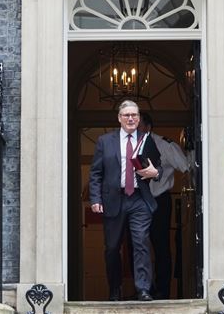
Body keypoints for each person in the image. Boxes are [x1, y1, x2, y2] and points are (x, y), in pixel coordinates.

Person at [89, 100, 161, 302]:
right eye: (127, 115)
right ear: (119, 118)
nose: (131, 118)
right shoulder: (105, 141)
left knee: (141, 243)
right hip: (113, 199)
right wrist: (95, 198)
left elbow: (159, 166)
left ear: (139, 118)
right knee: (112, 248)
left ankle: (143, 289)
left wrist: (155, 173)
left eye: (134, 115)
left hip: (139, 199)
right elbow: (96, 173)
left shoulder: (147, 140)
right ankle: (115, 289)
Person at [138, 112, 190, 299]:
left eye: (138, 125)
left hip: (158, 200)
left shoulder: (165, 145)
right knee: (137, 246)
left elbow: (187, 168)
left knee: (160, 246)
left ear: (148, 127)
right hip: (136, 202)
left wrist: (189, 198)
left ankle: (162, 291)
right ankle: (143, 289)